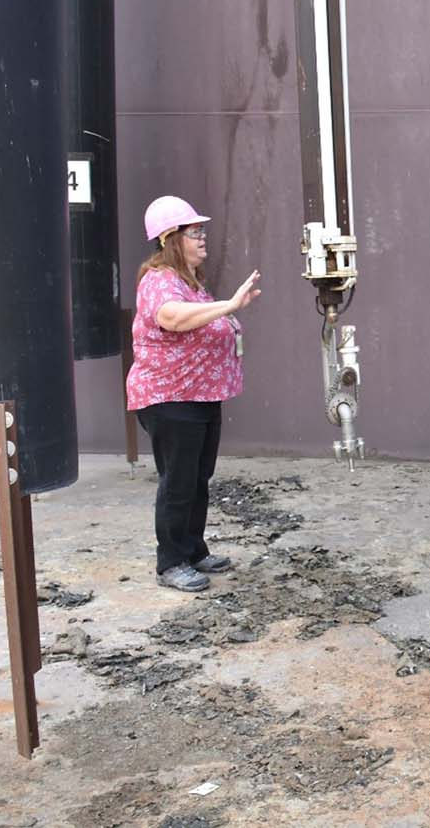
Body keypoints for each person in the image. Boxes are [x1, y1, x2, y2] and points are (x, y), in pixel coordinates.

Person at [126, 195, 261, 592]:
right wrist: (229, 305)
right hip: (170, 398)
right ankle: (170, 562)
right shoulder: (159, 281)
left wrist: (226, 309)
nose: (203, 239)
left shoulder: (191, 283)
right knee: (178, 480)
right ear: (171, 238)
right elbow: (170, 317)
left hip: (199, 396)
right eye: (195, 233)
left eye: (203, 232)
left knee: (198, 476)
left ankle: (193, 549)